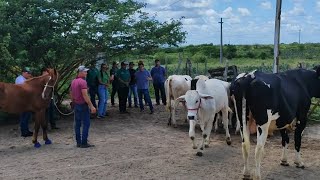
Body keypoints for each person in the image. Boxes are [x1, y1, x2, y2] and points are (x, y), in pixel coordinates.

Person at [70, 65, 96, 148]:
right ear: (80, 72)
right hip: (83, 105)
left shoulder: (73, 81)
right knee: (86, 124)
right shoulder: (83, 82)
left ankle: (78, 142)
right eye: (85, 71)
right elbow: (85, 95)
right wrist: (91, 106)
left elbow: (71, 93)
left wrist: (73, 101)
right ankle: (84, 142)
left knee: (77, 124)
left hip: (77, 104)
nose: (86, 73)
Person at [15, 67, 33, 137]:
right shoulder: (20, 79)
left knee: (26, 116)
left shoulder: (24, 79)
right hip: (22, 100)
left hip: (25, 100)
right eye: (28, 73)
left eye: (29, 73)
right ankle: (24, 132)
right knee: (24, 116)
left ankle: (26, 130)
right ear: (23, 73)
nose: (29, 74)